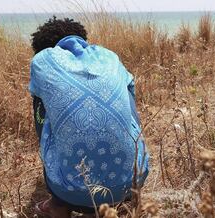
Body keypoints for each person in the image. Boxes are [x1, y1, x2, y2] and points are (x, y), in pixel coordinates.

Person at [29, 17, 149, 217]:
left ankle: (58, 205)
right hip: (131, 183)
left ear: (43, 48)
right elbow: (132, 107)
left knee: (41, 101)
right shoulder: (109, 57)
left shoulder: (42, 61)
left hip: (70, 192)